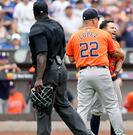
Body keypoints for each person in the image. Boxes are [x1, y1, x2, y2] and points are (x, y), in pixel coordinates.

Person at [28, 1, 93, 135]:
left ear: (34, 13)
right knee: (63, 105)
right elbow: (63, 50)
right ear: (47, 11)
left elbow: (42, 54)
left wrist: (39, 78)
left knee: (43, 107)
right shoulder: (57, 25)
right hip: (61, 67)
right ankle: (85, 133)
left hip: (47, 70)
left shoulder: (37, 28)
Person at [66, 8, 125, 135]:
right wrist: (122, 54)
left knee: (82, 108)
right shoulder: (103, 34)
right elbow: (113, 52)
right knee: (112, 107)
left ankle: (80, 133)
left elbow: (70, 59)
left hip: (83, 72)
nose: (98, 21)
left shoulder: (74, 35)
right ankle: (120, 133)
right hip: (101, 71)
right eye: (97, 19)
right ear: (94, 20)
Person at [90, 20, 124, 135]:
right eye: (111, 27)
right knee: (96, 110)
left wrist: (116, 71)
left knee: (116, 110)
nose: (114, 29)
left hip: (112, 79)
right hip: (100, 78)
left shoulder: (116, 43)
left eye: (115, 28)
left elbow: (120, 59)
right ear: (103, 29)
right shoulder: (99, 41)